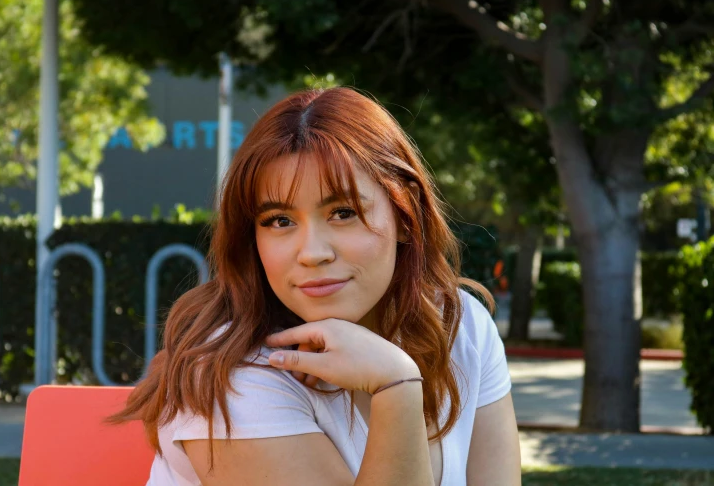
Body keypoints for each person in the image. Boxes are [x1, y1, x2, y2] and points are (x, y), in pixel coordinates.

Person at [112, 87, 521, 485]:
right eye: (279, 221)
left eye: (343, 212)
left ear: (405, 214)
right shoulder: (231, 377)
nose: (312, 253)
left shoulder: (461, 326)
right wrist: (397, 387)